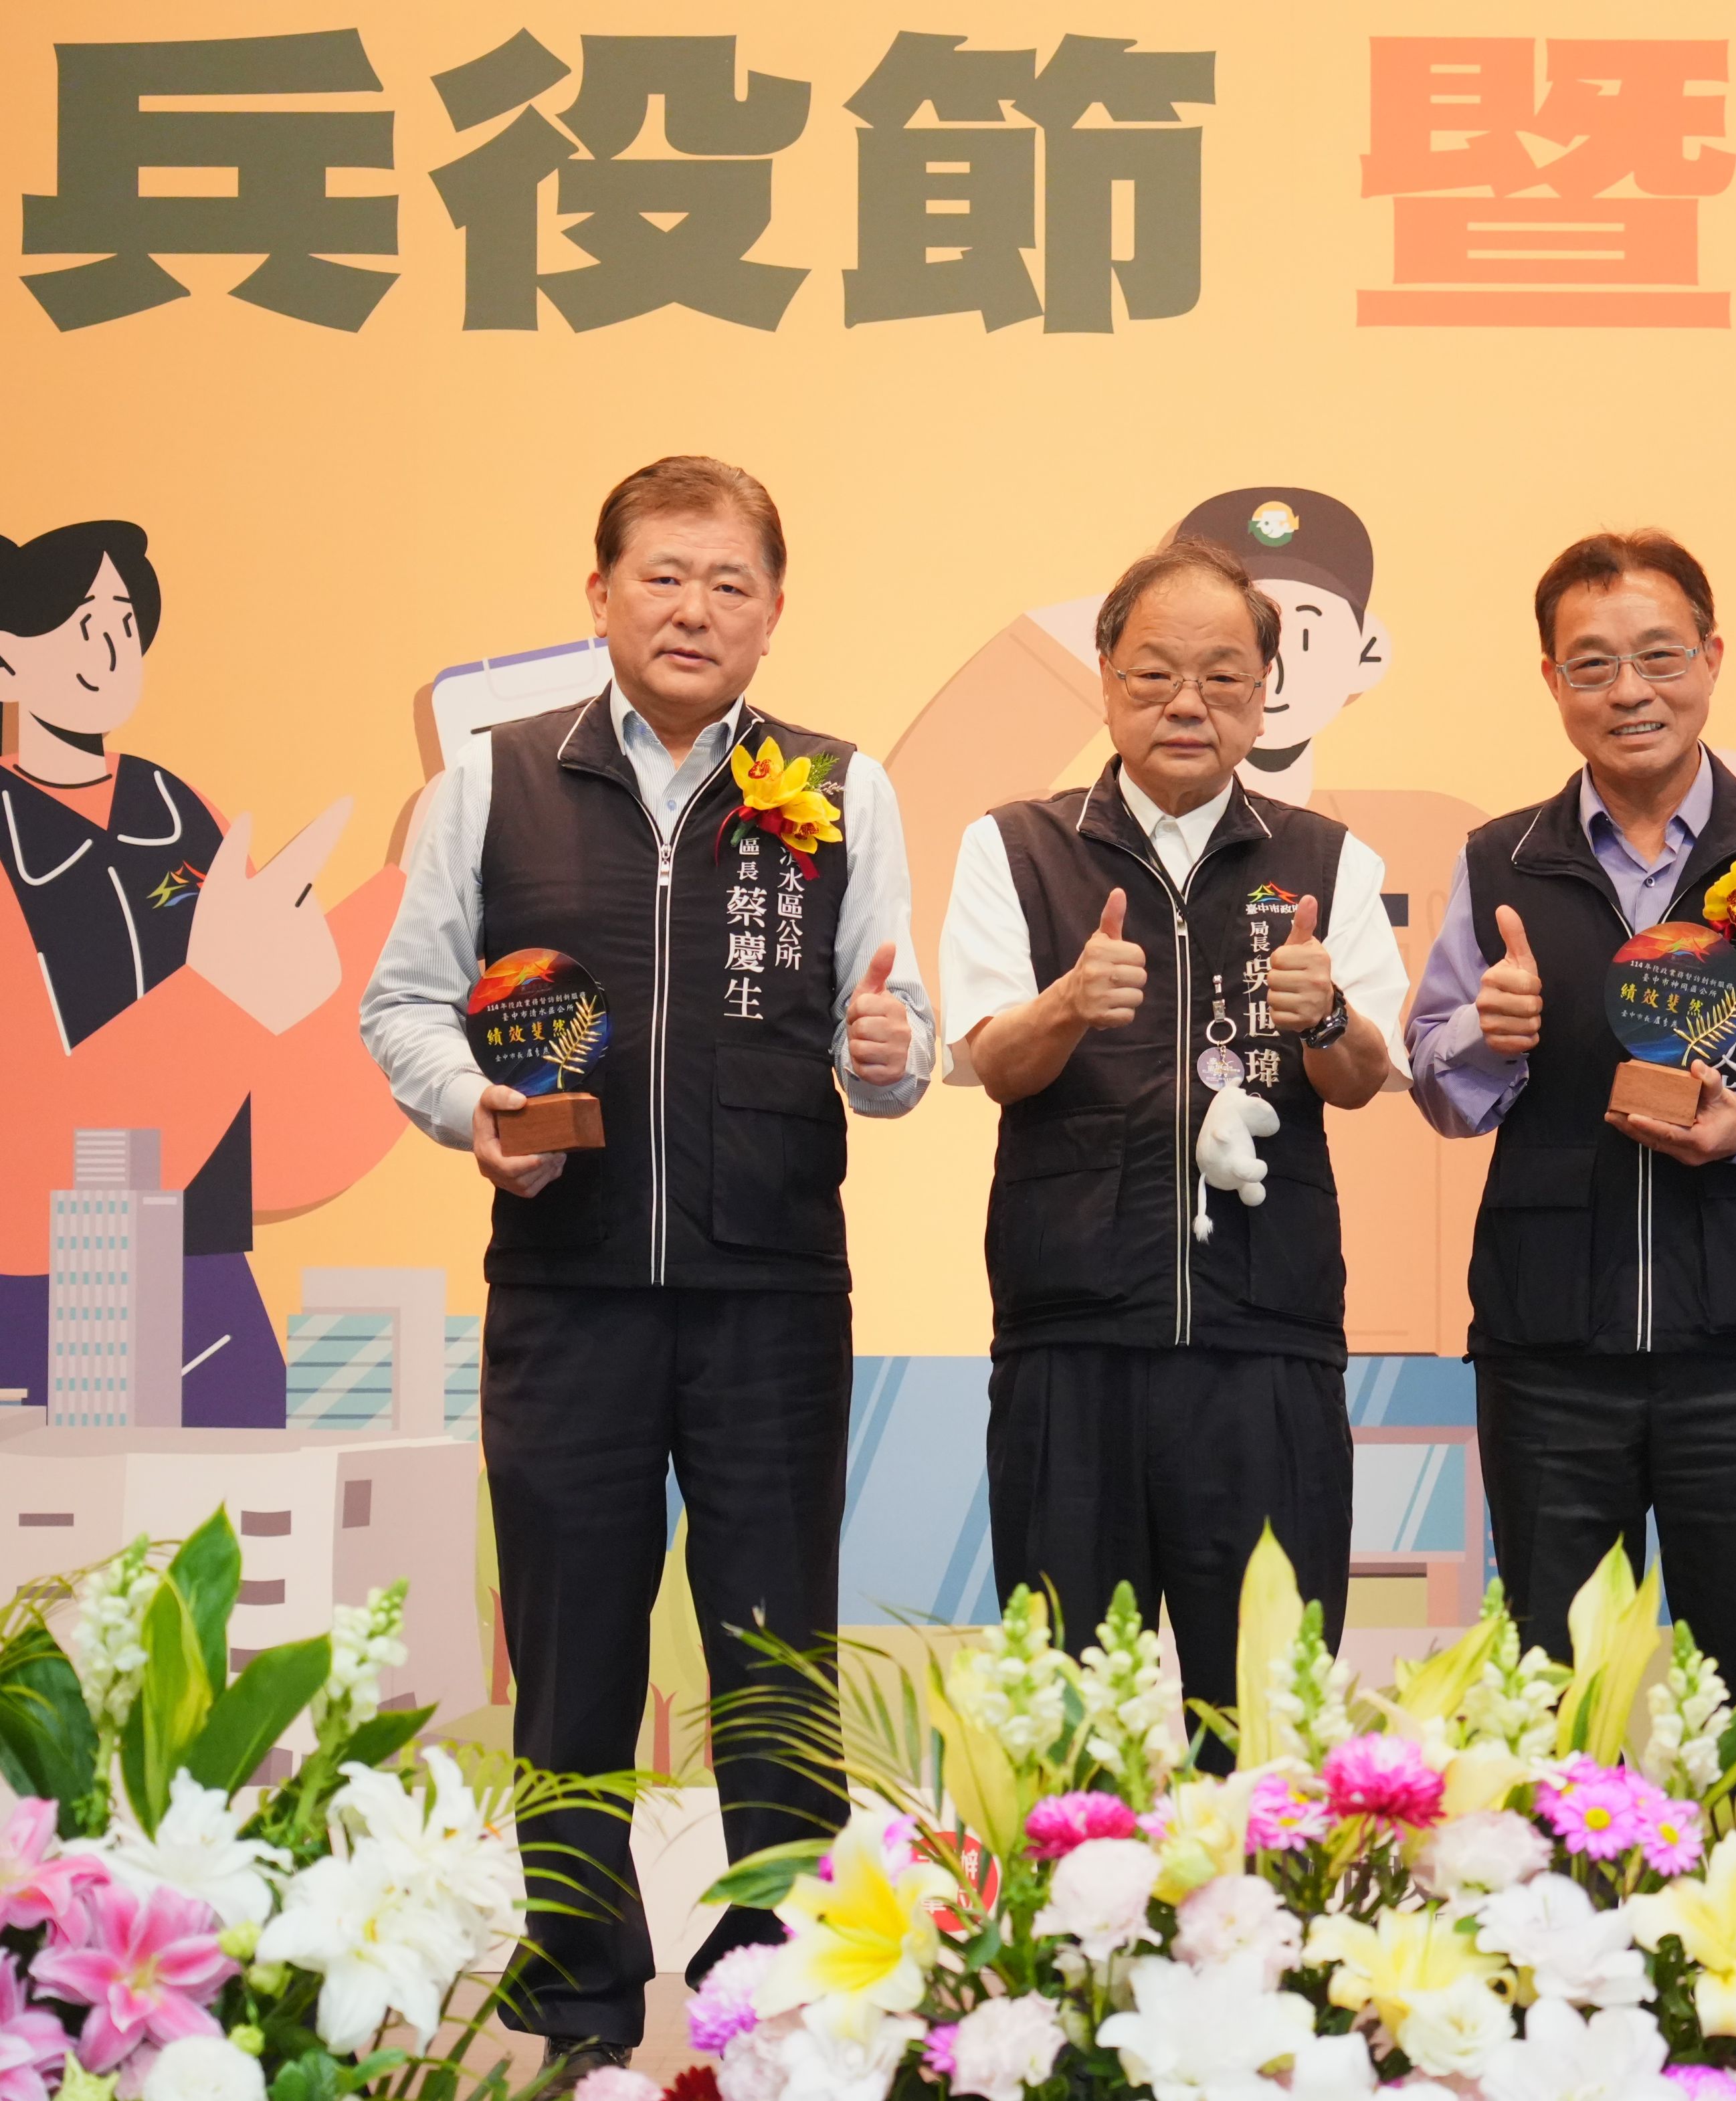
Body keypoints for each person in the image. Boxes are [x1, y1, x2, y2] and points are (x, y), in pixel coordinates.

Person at [361, 456, 935, 2074]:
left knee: (775, 1666)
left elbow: (894, 1040)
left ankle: (783, 1999)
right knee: (573, 1663)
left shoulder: (842, 787)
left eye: (729, 581)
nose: (695, 608)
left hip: (772, 1298)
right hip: (567, 1293)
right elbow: (406, 1001)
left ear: (774, 610)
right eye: (664, 575)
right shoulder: (495, 780)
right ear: (600, 590)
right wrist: (477, 1107)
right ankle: (578, 2004)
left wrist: (892, 1050)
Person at [1403, 529, 1736, 1697]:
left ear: (1712, 658)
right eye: (1592, 664)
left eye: (1658, 655)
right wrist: (1488, 1030)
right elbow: (1439, 1085)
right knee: (1554, 1703)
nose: (1629, 690)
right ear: (1553, 681)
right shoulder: (1500, 862)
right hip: (1549, 1358)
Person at [937, 534, 1408, 1728]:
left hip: (1267, 1341)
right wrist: (1066, 1003)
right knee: (1066, 1723)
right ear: (1106, 677)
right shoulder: (1015, 847)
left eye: (1223, 677)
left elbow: (1366, 1077)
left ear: (1264, 693)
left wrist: (1326, 1012)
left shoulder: (1330, 861)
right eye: (1154, 674)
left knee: (1264, 1722)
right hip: (1071, 1341)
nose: (1187, 704)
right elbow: (992, 1061)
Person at [0, 520, 406, 1419]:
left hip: (201, 1262)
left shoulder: (176, 806)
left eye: (123, 621)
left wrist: (407, 885)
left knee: (244, 1491)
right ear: (7, 661)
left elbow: (280, 1066)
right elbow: (21, 1115)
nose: (111, 648)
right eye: (79, 625)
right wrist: (224, 996)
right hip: (41, 1281)